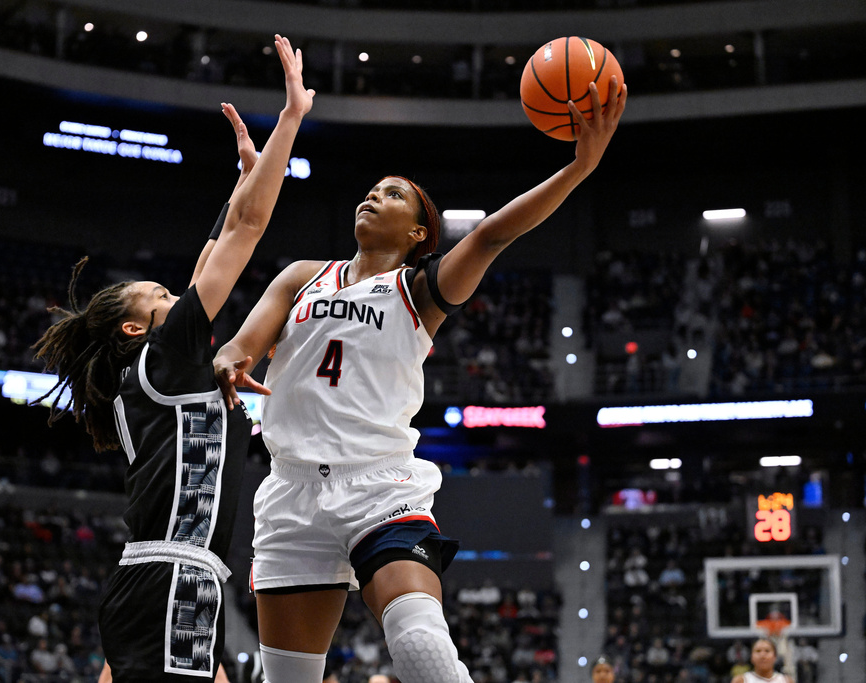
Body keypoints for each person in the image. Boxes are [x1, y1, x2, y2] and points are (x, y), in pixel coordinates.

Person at [213, 78, 626, 683]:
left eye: (394, 195)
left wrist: (578, 169)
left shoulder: (418, 290)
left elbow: (492, 234)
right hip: (289, 492)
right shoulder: (301, 274)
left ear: (417, 234)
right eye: (373, 189)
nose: (374, 197)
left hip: (379, 487)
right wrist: (228, 360)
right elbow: (241, 345)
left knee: (420, 648)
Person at [32, 34, 314, 683]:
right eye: (161, 296)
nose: (179, 297)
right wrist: (291, 119)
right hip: (173, 578)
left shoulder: (156, 369)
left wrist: (242, 180)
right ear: (136, 326)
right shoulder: (162, 359)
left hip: (164, 577)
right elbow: (243, 234)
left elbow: (215, 251)